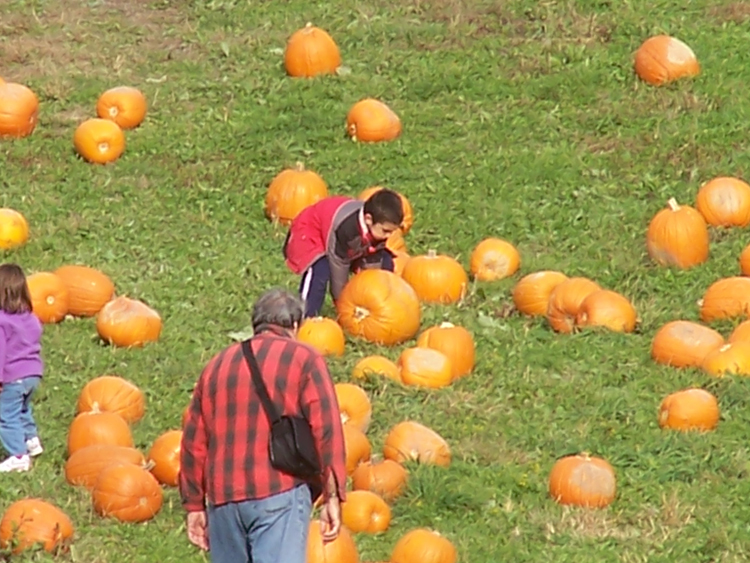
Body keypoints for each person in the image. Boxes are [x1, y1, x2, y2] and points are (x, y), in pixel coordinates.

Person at [179, 288, 347, 563]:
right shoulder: (304, 358)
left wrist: (194, 505)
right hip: (278, 490)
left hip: (224, 501)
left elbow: (193, 442)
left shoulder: (217, 365)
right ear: (295, 324)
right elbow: (327, 429)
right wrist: (332, 495)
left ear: (256, 324)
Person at [283, 188, 404, 317]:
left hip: (346, 242)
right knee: (320, 269)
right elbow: (339, 265)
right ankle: (305, 316)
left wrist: (371, 296)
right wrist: (343, 305)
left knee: (385, 261)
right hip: (311, 232)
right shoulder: (347, 228)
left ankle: (385, 307)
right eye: (386, 231)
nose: (389, 236)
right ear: (368, 219)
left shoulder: (375, 228)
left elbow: (372, 264)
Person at [0, 263, 44, 473]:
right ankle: (31, 441)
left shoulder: (1, 321)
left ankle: (18, 455)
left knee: (6, 415)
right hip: (32, 374)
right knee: (23, 409)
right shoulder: (31, 318)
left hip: (12, 377)